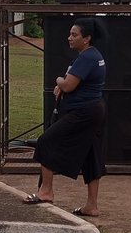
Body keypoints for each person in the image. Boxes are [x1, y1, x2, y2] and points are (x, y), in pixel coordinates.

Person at [22, 18, 106, 216]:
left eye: (74, 35)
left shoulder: (87, 57)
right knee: (91, 155)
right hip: (93, 110)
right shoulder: (92, 55)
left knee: (46, 141)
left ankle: (46, 191)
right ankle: (92, 206)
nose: (69, 38)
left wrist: (58, 81)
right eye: (70, 34)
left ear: (87, 38)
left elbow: (68, 85)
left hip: (84, 112)